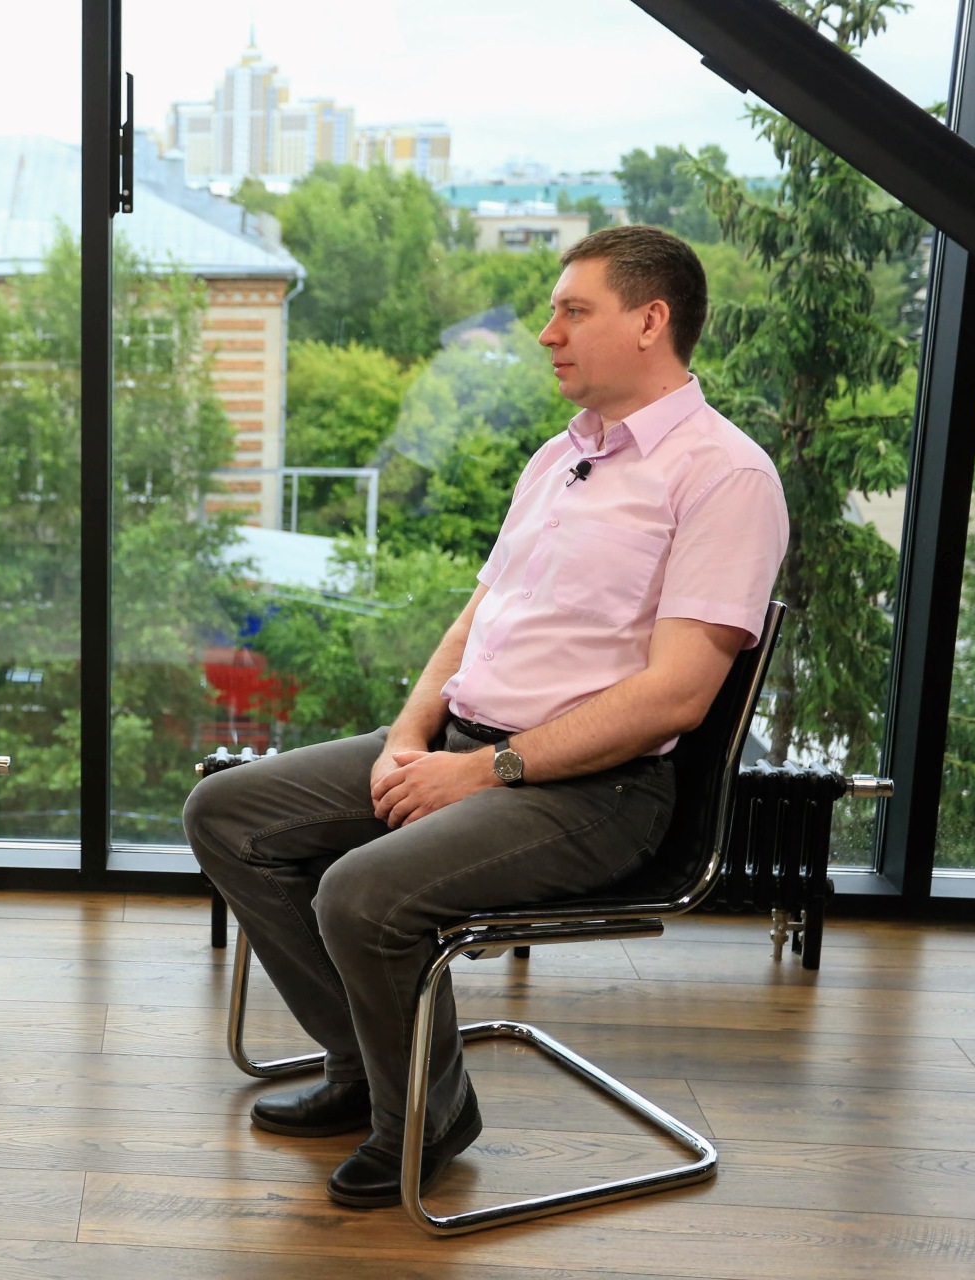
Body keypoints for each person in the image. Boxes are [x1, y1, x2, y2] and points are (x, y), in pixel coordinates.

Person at [184, 224, 787, 1208]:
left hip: (595, 792)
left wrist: (481, 771)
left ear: (650, 321)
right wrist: (408, 737)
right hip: (466, 746)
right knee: (228, 812)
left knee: (359, 893)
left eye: (573, 310)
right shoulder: (560, 457)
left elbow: (676, 696)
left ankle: (426, 1117)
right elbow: (476, 618)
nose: (548, 332)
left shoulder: (725, 475)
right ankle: (368, 1063)